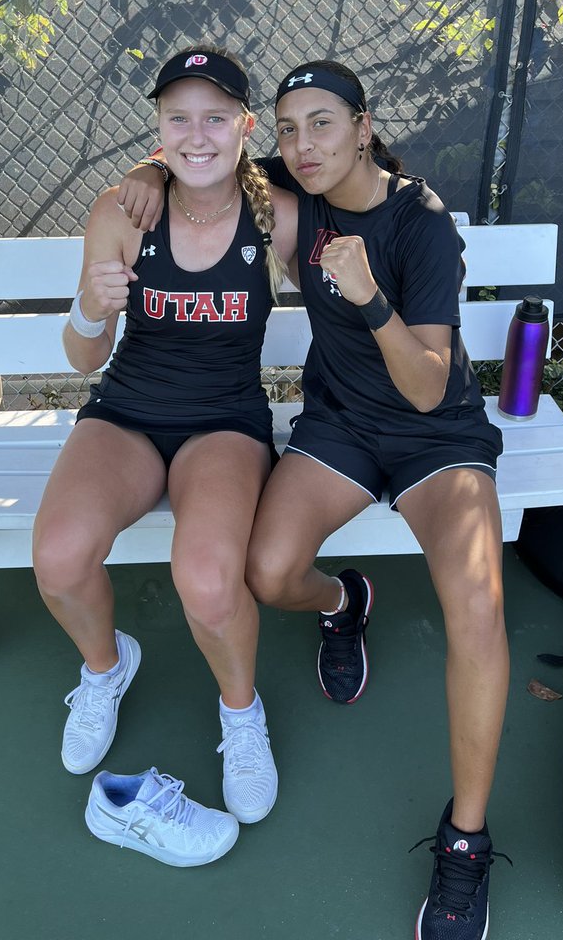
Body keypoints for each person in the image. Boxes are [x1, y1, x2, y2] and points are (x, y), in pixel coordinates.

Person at [119, 60, 507, 940]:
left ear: (364, 126)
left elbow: (425, 386)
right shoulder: (296, 193)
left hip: (434, 434)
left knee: (478, 606)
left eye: (322, 125)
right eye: (289, 130)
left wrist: (370, 302)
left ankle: (467, 844)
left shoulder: (423, 226)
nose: (303, 145)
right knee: (267, 570)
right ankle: (346, 602)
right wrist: (147, 172)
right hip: (338, 429)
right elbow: (203, 165)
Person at [33, 46, 297, 835]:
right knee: (58, 556)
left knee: (210, 582)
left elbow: (347, 208)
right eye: (177, 118)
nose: (197, 134)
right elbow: (83, 355)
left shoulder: (274, 214)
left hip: (224, 423)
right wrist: (89, 303)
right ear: (157, 128)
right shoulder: (123, 208)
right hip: (128, 414)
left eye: (215, 117)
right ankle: (105, 668)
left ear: (246, 127)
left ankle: (242, 717)